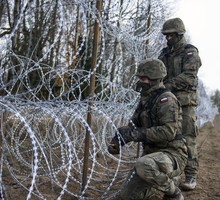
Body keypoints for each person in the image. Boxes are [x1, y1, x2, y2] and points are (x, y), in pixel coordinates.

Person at [108, 58, 187, 200]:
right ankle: (160, 182)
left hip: (172, 155)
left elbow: (168, 132)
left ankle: (173, 192)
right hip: (151, 157)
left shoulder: (166, 100)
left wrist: (135, 134)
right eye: (140, 78)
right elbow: (133, 126)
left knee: (143, 164)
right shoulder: (145, 100)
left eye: (143, 79)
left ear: (154, 79)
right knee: (126, 196)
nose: (140, 82)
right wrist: (120, 138)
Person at [158, 17, 202, 191]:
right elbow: (158, 72)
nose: (167, 38)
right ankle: (171, 175)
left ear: (179, 34)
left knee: (187, 139)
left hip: (185, 104)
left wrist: (167, 85)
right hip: (167, 103)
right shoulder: (164, 54)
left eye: (171, 35)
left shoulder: (189, 52)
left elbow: (189, 77)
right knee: (168, 139)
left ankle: (190, 176)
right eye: (166, 35)